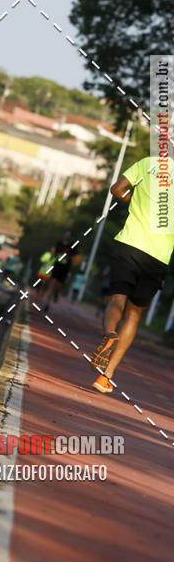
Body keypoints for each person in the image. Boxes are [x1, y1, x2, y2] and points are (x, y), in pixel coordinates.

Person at [90, 155, 174, 393]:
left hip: (129, 245)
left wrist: (131, 200)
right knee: (134, 314)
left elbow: (116, 189)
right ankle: (106, 376)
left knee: (117, 299)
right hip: (158, 256)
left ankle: (110, 334)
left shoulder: (149, 163)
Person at [42, 231, 77, 312]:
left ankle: (57, 294)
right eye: (65, 235)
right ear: (64, 235)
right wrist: (49, 263)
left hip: (65, 269)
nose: (66, 236)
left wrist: (68, 257)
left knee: (58, 286)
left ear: (70, 237)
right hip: (56, 266)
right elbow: (54, 253)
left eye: (68, 235)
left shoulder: (72, 246)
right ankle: (47, 304)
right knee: (52, 284)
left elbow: (75, 257)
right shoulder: (59, 243)